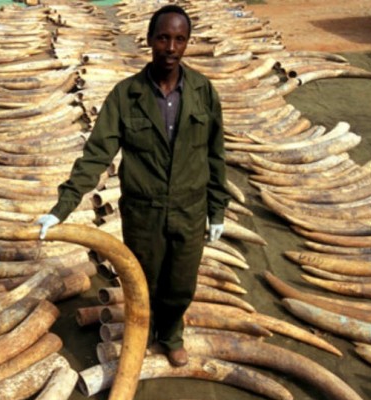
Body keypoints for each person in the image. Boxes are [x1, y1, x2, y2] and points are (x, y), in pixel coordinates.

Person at [36, 4, 230, 367]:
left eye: (179, 39)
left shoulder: (204, 93)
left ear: (187, 43)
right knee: (143, 283)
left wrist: (217, 210)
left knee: (181, 285)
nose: (171, 48)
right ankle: (141, 333)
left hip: (189, 210)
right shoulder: (126, 96)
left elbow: (215, 156)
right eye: (163, 38)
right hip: (144, 213)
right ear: (150, 40)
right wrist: (60, 208)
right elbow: (95, 156)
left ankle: (171, 334)